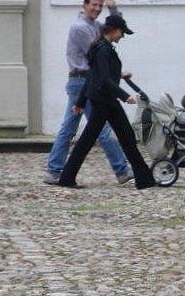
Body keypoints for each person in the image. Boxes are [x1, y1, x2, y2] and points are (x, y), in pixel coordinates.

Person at [43, 0, 133, 185]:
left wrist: (113, 7)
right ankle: (122, 170)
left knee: (70, 127)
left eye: (100, 6)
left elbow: (115, 28)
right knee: (101, 128)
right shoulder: (80, 28)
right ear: (84, 5)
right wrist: (116, 74)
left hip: (85, 81)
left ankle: (54, 170)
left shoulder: (95, 25)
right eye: (94, 5)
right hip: (83, 81)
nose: (97, 9)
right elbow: (96, 56)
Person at [57, 15, 156, 190]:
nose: (122, 36)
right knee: (122, 137)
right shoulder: (103, 50)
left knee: (116, 137)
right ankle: (144, 178)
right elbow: (102, 79)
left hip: (103, 99)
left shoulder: (101, 48)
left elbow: (93, 78)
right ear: (114, 30)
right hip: (105, 100)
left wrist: (80, 102)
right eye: (122, 33)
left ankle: (144, 178)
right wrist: (125, 96)